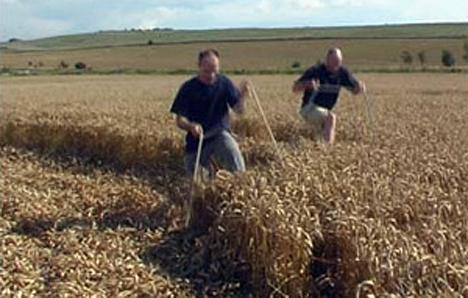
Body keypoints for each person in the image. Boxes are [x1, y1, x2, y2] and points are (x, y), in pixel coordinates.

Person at [170, 49, 249, 177]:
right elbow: (180, 120)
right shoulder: (188, 88)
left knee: (234, 156)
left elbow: (239, 111)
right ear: (199, 66)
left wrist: (243, 97)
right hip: (196, 142)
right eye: (207, 71)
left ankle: (242, 184)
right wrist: (191, 126)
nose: (211, 75)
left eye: (215, 70)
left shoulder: (224, 83)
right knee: (198, 182)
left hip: (219, 134)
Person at [293, 48, 366, 144]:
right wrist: (307, 84)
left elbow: (354, 90)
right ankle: (328, 149)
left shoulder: (343, 73)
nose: (336, 65)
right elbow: (295, 88)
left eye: (338, 62)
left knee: (322, 132)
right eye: (334, 62)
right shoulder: (315, 71)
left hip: (325, 110)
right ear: (327, 60)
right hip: (309, 108)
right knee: (330, 118)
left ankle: (316, 148)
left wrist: (360, 87)